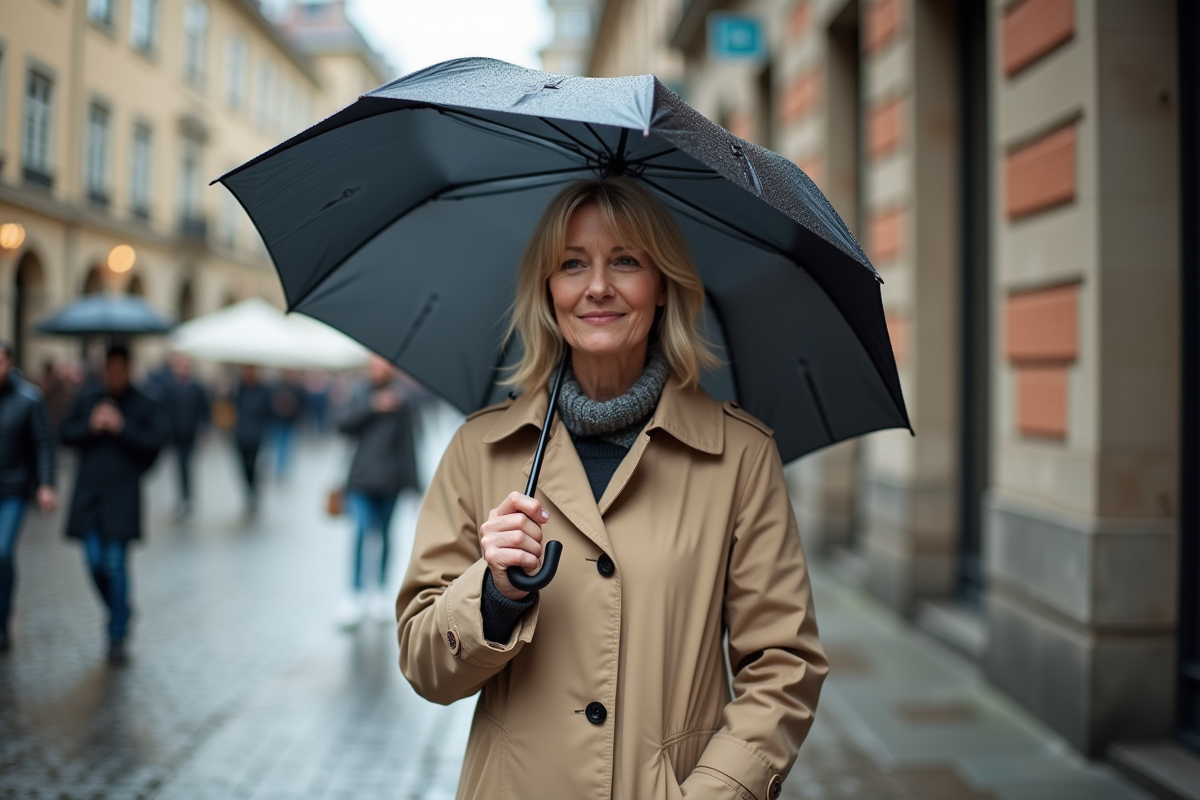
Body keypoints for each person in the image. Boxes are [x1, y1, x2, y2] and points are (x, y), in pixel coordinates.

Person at [396, 179, 828, 799]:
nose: (597, 286)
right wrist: (493, 594)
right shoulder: (480, 448)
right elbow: (425, 665)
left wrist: (713, 792)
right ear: (548, 290)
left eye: (625, 261)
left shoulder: (741, 456)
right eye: (573, 264)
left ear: (663, 286)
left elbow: (782, 667)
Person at [60, 344, 163, 663]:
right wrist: (91, 425)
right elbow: (65, 434)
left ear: (129, 369)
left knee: (115, 564)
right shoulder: (88, 398)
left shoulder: (145, 402)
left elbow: (153, 448)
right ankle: (121, 609)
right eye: (110, 369)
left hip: (122, 499)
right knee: (94, 563)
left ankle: (116, 633)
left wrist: (122, 427)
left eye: (120, 369)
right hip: (89, 497)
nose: (114, 375)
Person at [335, 355, 421, 628]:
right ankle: (355, 592)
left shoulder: (403, 399)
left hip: (390, 481)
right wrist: (372, 406)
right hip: (361, 479)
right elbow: (342, 424)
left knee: (385, 535)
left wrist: (414, 484)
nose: (379, 367)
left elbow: (409, 444)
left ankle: (381, 591)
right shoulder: (359, 392)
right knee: (361, 532)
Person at [0, 341, 57, 653]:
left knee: (2, 552)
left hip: (13, 488)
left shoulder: (29, 399)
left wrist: (45, 484)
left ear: (10, 363)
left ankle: (2, 616)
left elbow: (44, 444)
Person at [162, 354, 210, 519]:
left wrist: (204, 428)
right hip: (175, 434)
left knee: (186, 465)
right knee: (179, 466)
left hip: (190, 434)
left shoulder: (197, 388)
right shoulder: (170, 388)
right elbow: (165, 410)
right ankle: (183, 497)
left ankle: (187, 497)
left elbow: (204, 410)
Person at [232, 365, 273, 515]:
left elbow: (269, 412)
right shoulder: (239, 390)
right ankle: (248, 493)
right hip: (240, 435)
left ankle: (254, 493)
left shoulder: (263, 391)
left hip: (256, 435)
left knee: (252, 467)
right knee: (243, 467)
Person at [271, 370, 303, 480]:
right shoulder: (278, 387)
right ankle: (280, 467)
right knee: (280, 445)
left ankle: (283, 467)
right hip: (279, 420)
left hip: (289, 421)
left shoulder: (295, 388)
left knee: (286, 445)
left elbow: (300, 403)